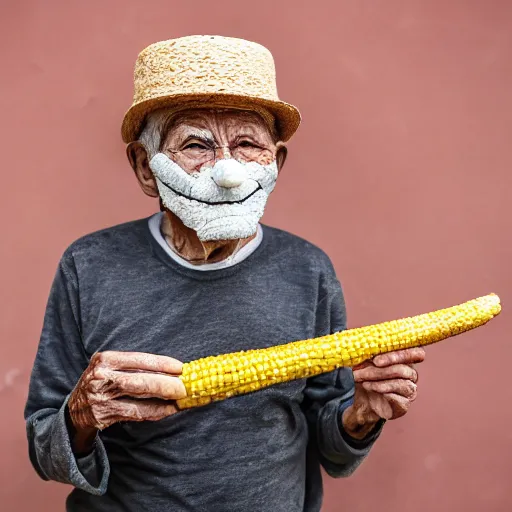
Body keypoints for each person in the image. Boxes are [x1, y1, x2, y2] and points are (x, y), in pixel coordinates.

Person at [24, 35, 425, 512]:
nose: (228, 173)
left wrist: (359, 416)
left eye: (247, 145)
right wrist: (81, 415)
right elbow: (44, 450)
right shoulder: (88, 266)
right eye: (196, 144)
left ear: (276, 163)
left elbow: (331, 448)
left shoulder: (308, 270)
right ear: (144, 168)